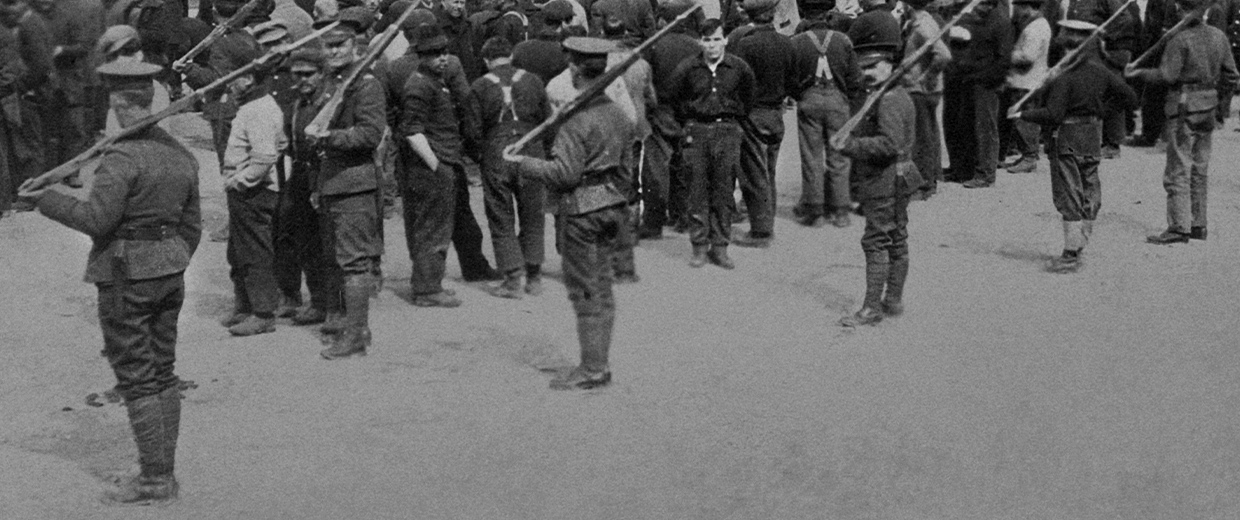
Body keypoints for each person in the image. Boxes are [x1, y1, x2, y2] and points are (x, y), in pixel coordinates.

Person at [18, 60, 200, 505]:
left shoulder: (122, 158)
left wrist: (48, 200)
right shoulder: (181, 154)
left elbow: (97, 219)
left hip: (124, 276)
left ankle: (155, 479)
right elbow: (191, 227)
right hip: (169, 271)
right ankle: (163, 470)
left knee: (137, 378)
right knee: (163, 372)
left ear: (117, 103)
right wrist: (170, 259)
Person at [508, 36, 635, 390]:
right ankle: (599, 362)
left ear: (575, 70)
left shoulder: (574, 122)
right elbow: (626, 170)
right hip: (611, 206)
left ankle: (593, 369)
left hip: (580, 211)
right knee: (603, 288)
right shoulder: (619, 115)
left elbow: (564, 175)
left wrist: (525, 164)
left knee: (585, 292)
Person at [1011, 20, 1137, 272]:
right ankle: (1080, 243)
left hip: (1066, 138)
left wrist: (1022, 114)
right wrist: (1102, 112)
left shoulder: (1064, 77)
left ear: (1066, 48)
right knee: (1089, 188)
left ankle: (1070, 254)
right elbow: (1131, 98)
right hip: (1091, 136)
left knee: (1068, 194)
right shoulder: (1100, 71)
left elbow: (1054, 114)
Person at [305, 13, 386, 359]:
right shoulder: (330, 82)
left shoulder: (366, 85)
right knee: (339, 260)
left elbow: (370, 133)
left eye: (341, 44)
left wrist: (329, 137)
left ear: (355, 46)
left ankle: (356, 334)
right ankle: (351, 324)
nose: (335, 50)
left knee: (354, 263)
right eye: (329, 45)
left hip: (354, 185)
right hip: (331, 183)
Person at [1126, 0, 1239, 244]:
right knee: (1200, 167)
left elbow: (1167, 75)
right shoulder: (1219, 36)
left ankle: (1179, 227)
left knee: (1178, 167)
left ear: (1179, 9)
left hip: (1183, 107)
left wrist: (1139, 73)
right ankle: (1198, 224)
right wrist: (1219, 105)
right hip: (1207, 105)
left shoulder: (1179, 39)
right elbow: (1232, 75)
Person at [836, 41, 922, 327]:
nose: (867, 73)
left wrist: (851, 145)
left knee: (876, 240)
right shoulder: (891, 94)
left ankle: (872, 308)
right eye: (864, 68)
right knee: (896, 237)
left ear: (890, 66)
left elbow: (890, 144)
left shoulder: (889, 100)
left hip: (886, 179)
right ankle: (893, 300)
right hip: (898, 176)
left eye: (874, 67)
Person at [666, 17, 755, 269]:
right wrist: (689, 121)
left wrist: (733, 118)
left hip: (727, 131)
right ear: (699, 42)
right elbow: (674, 98)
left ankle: (720, 247)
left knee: (724, 190)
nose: (712, 45)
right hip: (697, 130)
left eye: (717, 39)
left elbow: (749, 97)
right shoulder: (687, 68)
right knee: (696, 191)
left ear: (725, 39)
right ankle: (699, 247)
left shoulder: (738, 68)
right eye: (707, 40)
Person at [468, 36, 550, 298]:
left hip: (496, 152)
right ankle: (534, 276)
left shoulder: (480, 86)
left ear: (486, 60)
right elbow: (548, 121)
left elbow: (471, 131)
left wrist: (480, 156)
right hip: (531, 148)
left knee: (500, 215)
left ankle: (512, 278)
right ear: (511, 56)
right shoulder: (533, 81)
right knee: (533, 212)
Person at [219, 45, 288, 336]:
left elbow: (265, 156)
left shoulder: (257, 110)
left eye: (232, 77)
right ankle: (245, 306)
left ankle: (263, 312)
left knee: (255, 253)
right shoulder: (254, 107)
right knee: (238, 251)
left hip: (254, 192)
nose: (228, 83)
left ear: (247, 79)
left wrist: (241, 181)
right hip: (247, 191)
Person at [399, 23, 469, 307]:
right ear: (421, 55)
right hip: (430, 168)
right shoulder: (419, 85)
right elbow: (412, 131)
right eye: (434, 53)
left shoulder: (433, 80)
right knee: (432, 228)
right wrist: (436, 165)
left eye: (444, 52)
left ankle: (429, 284)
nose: (442, 58)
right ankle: (427, 290)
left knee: (436, 226)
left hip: (438, 161)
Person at [728, 0, 796, 249]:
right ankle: (768, 221)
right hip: (776, 113)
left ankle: (761, 230)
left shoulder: (746, 44)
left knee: (753, 172)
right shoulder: (787, 43)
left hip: (753, 113)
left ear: (751, 15)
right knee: (769, 170)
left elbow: (736, 80)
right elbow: (793, 81)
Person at [790, 9, 861, 227]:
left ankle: (815, 211)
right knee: (839, 155)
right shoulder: (843, 40)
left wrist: (799, 95)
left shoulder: (797, 42)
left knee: (811, 156)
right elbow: (855, 78)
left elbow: (791, 77)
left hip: (809, 100)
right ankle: (840, 212)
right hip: (837, 100)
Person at [278, 49, 332, 327]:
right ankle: (318, 302)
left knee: (329, 245)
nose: (302, 80)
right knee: (307, 243)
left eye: (308, 74)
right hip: (300, 177)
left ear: (322, 74)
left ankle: (334, 306)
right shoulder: (297, 104)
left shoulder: (332, 103)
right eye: (296, 74)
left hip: (326, 176)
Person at [638, 0, 700, 238]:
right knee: (685, 165)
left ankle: (653, 222)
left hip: (661, 110)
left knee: (655, 167)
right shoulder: (696, 46)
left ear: (665, 19)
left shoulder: (654, 46)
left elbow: (647, 81)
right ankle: (682, 215)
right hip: (688, 111)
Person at [943, 0, 1012, 189]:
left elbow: (1004, 60)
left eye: (983, 4)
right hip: (970, 81)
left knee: (985, 129)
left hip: (987, 84)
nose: (979, 7)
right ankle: (962, 170)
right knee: (965, 125)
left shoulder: (1000, 22)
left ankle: (985, 173)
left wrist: (981, 76)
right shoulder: (975, 18)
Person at [898, 0, 949, 200]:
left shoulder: (923, 25)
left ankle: (924, 185)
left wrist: (928, 75)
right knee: (926, 135)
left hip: (921, 89)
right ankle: (930, 179)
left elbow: (943, 54)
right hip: (918, 87)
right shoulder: (915, 22)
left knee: (920, 139)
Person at [1000, 0, 1050, 174]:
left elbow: (1027, 57)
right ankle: (1026, 155)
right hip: (1027, 80)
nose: (1017, 11)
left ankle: (1029, 157)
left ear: (1028, 7)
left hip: (1027, 81)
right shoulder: (1037, 25)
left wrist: (1005, 55)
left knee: (1025, 120)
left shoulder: (1034, 29)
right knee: (1021, 119)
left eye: (1019, 7)